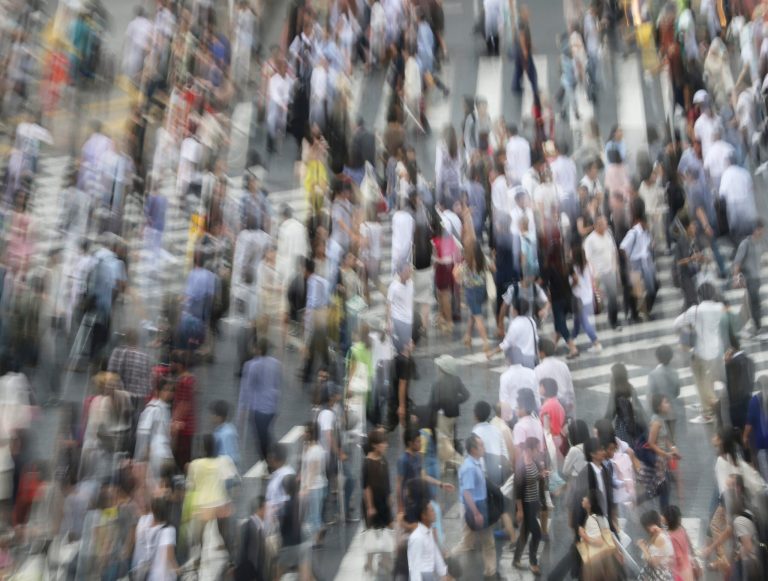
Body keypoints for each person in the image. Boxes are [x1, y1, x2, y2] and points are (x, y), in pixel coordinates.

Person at [673, 282, 726, 424]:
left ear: (699, 295)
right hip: (716, 350)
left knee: (701, 382)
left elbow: (676, 323)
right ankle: (709, 406)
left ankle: (709, 412)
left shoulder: (695, 310)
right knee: (709, 381)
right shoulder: (719, 307)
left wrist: (689, 328)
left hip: (700, 352)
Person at [449, 434, 497, 578]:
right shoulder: (470, 467)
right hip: (473, 508)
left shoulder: (476, 462)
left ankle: (491, 571)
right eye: (481, 445)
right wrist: (476, 513)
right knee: (469, 543)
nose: (484, 448)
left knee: (485, 542)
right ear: (473, 449)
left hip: (477, 506)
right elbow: (467, 493)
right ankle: (447, 561)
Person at [238, 338, 282, 462]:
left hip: (258, 407)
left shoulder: (251, 365)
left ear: (257, 349)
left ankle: (269, 461)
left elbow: (246, 389)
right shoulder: (276, 364)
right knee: (266, 434)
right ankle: (271, 459)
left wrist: (242, 409)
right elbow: (276, 385)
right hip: (271, 406)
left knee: (261, 438)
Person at [429, 355, 470, 471]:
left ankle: (451, 463)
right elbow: (466, 395)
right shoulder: (456, 379)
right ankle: (451, 464)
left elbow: (433, 403)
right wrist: (455, 401)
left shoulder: (437, 383)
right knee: (451, 438)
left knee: (443, 441)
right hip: (454, 415)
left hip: (443, 416)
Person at [362, 428, 394, 573]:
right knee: (372, 533)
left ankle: (386, 560)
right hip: (373, 502)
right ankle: (369, 562)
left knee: (387, 530)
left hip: (384, 500)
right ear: (375, 445)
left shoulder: (384, 460)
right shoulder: (367, 463)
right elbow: (366, 487)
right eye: (383, 443)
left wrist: (389, 496)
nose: (386, 445)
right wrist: (370, 506)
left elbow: (386, 481)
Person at [584, 214, 621, 330]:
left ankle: (613, 320)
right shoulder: (590, 240)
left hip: (610, 271)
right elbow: (587, 259)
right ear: (597, 226)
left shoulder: (608, 235)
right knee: (606, 298)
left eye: (605, 223)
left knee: (613, 297)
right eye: (603, 224)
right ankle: (611, 320)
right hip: (599, 274)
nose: (606, 226)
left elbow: (613, 252)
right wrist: (593, 275)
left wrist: (615, 268)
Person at [732, 219, 765, 336]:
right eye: (759, 229)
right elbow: (737, 262)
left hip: (757, 278)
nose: (761, 232)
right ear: (754, 229)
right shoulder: (745, 244)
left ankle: (757, 326)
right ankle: (757, 326)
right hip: (749, 278)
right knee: (755, 302)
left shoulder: (759, 243)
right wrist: (736, 279)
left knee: (756, 302)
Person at [647, 345, 684, 440]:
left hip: (659, 413)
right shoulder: (675, 372)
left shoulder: (653, 374)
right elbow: (677, 392)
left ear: (657, 358)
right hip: (672, 411)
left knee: (660, 441)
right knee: (671, 439)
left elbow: (650, 395)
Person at [408, 501, 449, 580]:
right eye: (432, 510)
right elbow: (414, 567)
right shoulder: (417, 537)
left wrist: (444, 573)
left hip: (430, 574)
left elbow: (435, 553)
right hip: (424, 576)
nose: (435, 512)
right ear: (424, 516)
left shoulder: (428, 532)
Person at [535, 338, 576, 417]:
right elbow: (570, 388)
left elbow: (538, 394)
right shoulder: (563, 365)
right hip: (565, 404)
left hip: (549, 408)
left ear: (542, 353)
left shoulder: (538, 370)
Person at [234, 496, 269, 581]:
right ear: (260, 509)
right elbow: (241, 553)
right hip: (247, 575)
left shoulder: (260, 527)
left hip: (256, 575)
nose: (267, 512)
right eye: (266, 508)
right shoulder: (247, 526)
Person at [637, 510, 675, 580]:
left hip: (658, 575)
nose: (645, 530)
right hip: (657, 573)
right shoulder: (659, 532)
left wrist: (643, 548)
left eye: (645, 526)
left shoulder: (659, 537)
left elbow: (654, 563)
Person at [387, 262, 415, 355]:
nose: (408, 273)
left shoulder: (411, 283)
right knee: (404, 349)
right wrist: (389, 322)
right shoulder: (394, 287)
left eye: (409, 270)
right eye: (406, 271)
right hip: (399, 319)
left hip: (409, 320)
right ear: (399, 273)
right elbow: (389, 304)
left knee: (409, 347)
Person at [663, 505, 697, 581]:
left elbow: (679, 557)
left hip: (680, 571)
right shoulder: (681, 528)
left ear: (666, 520)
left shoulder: (670, 537)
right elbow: (689, 543)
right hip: (688, 564)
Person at [744, 376, 768, 481]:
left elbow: (749, 423)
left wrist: (744, 436)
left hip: (762, 441)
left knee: (765, 469)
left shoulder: (754, 401)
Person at [209, 400, 240, 470]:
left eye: (212, 414)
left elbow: (227, 458)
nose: (210, 416)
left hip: (224, 472)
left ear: (219, 417)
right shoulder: (228, 428)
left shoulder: (225, 434)